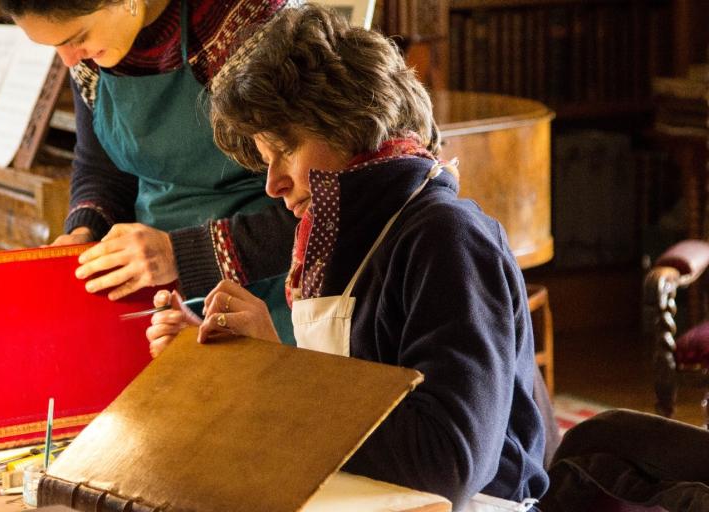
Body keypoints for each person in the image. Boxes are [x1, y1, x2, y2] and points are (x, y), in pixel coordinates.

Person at [146, 5, 549, 509]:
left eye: (285, 149)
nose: (273, 185)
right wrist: (241, 365)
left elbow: (449, 462)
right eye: (266, 161)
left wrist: (274, 372)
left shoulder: (447, 237)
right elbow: (335, 411)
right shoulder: (346, 241)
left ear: (348, 122)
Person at [0, 0, 298, 343]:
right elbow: (103, 167)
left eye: (77, 37)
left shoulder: (247, 24)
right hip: (162, 301)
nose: (69, 59)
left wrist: (178, 254)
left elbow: (329, 204)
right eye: (55, 46)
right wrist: (84, 231)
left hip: (276, 297)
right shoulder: (90, 56)